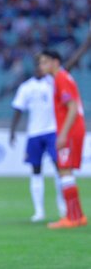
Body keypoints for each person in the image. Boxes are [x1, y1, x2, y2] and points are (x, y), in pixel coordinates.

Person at [10, 63, 66, 222]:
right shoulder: (26, 87)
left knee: (59, 169)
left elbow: (68, 66)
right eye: (38, 64)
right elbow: (18, 109)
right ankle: (39, 211)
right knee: (36, 170)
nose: (40, 67)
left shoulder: (53, 81)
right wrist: (12, 131)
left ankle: (63, 207)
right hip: (34, 133)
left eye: (42, 64)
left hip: (52, 131)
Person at [38, 50, 87, 229]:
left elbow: (72, 108)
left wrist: (64, 133)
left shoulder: (60, 78)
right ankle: (77, 215)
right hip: (73, 129)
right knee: (65, 172)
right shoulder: (63, 77)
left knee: (64, 171)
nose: (41, 66)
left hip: (71, 130)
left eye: (44, 62)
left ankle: (73, 218)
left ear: (55, 62)